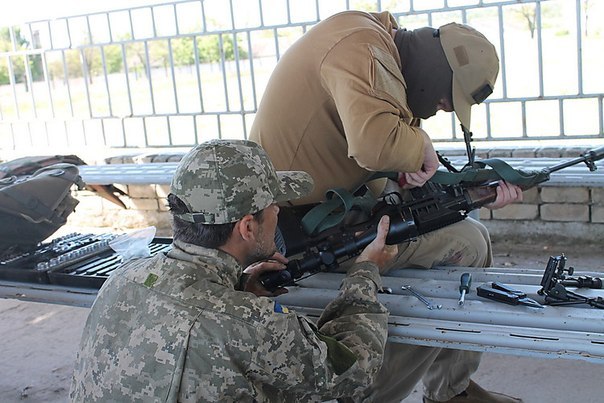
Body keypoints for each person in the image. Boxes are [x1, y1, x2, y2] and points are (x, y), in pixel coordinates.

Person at [250, 10, 524, 403]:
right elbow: (373, 145)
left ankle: (450, 388)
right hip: (303, 238)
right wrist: (420, 144)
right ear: (436, 72)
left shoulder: (371, 42)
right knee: (470, 244)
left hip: (323, 214)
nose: (444, 110)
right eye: (446, 100)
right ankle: (394, 395)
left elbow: (365, 150)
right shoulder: (361, 48)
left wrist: (463, 188)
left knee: (463, 224)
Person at [69, 139, 398, 402]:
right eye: (273, 206)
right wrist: (365, 274)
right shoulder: (249, 323)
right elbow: (356, 370)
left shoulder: (123, 278)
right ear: (247, 227)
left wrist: (236, 289)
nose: (278, 211)